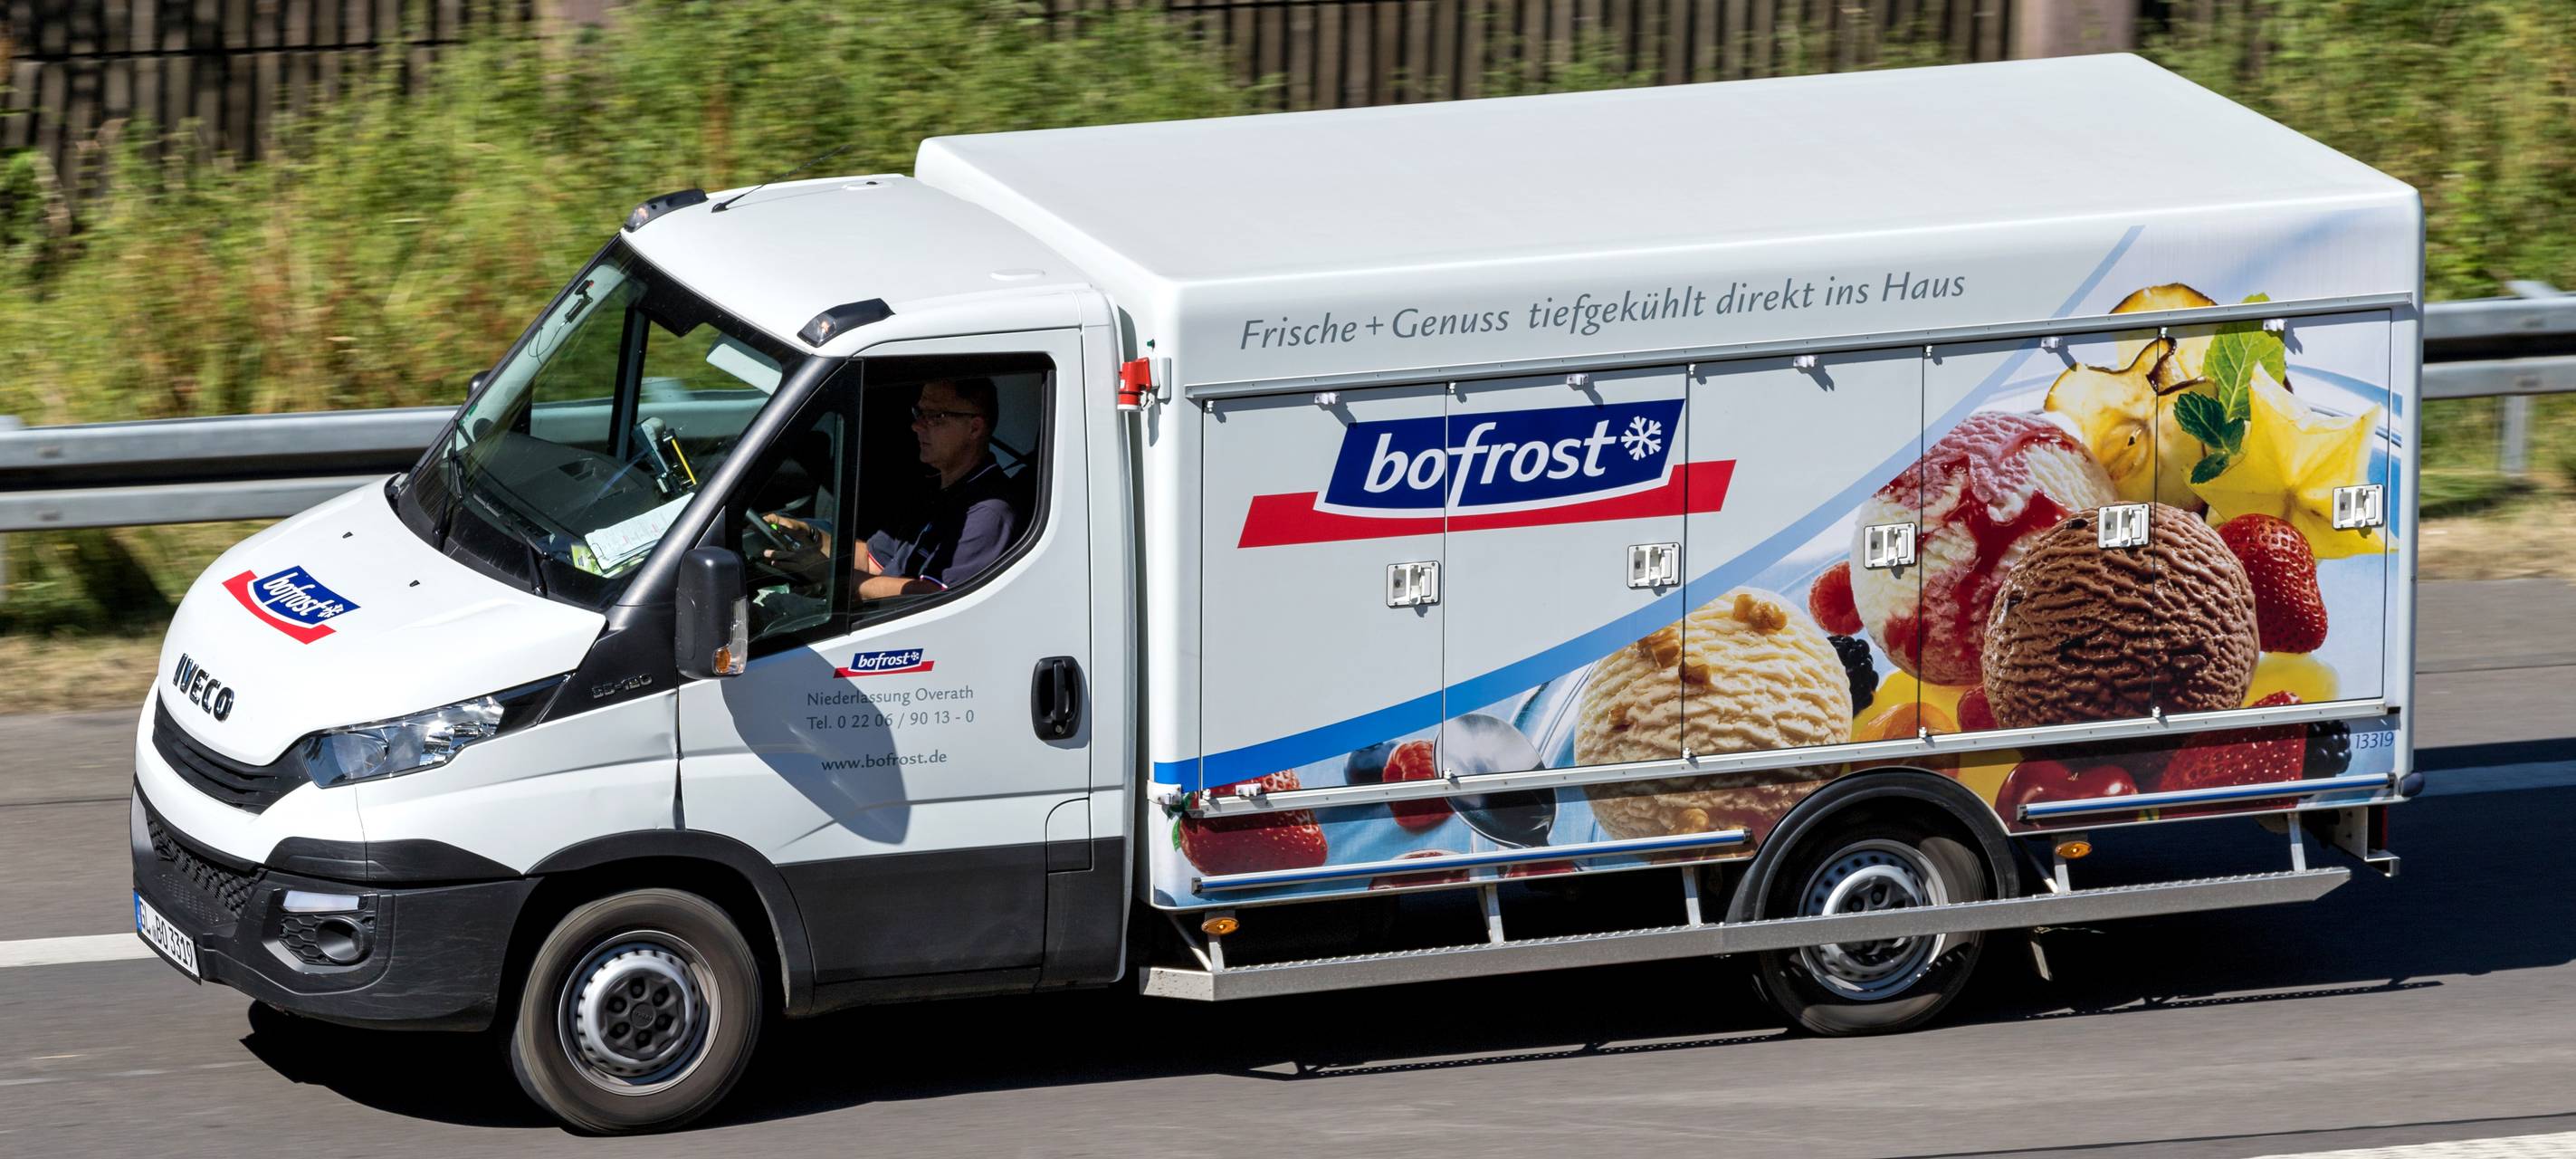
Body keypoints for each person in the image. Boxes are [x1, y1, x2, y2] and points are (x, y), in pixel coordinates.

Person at [761, 378, 1023, 599]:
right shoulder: (935, 489)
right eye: (919, 413)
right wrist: (810, 535)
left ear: (974, 428)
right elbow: (872, 560)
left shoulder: (988, 512)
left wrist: (831, 576)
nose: (917, 425)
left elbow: (934, 596)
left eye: (935, 417)